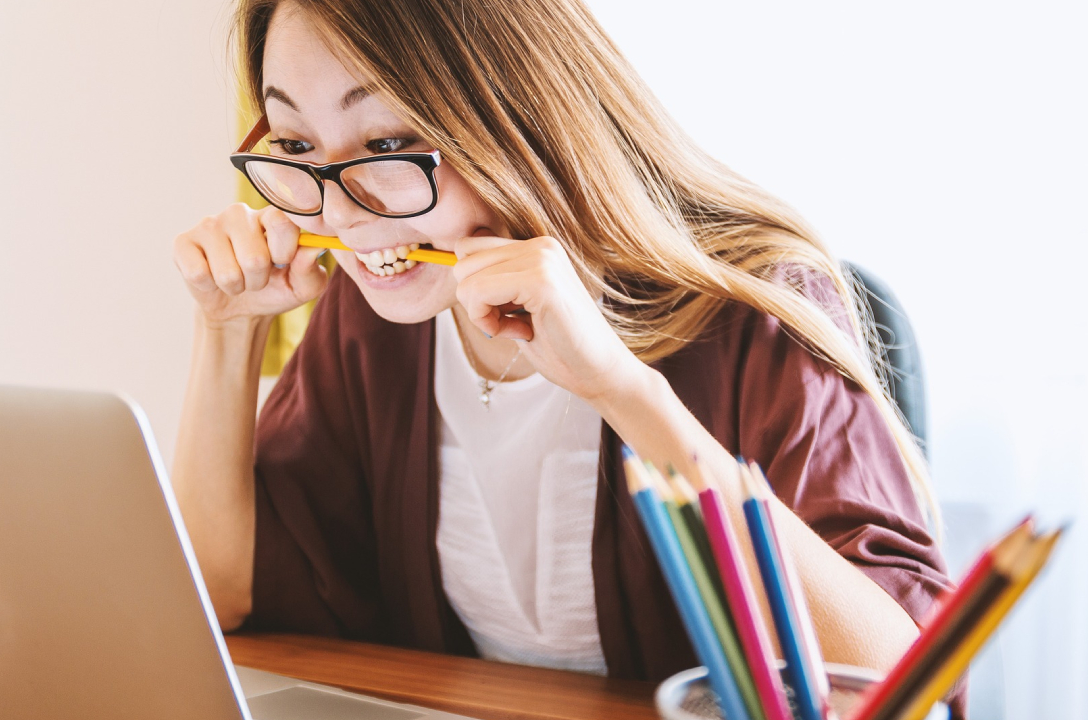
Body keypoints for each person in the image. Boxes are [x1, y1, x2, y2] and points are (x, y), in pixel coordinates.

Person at [171, 0, 954, 688]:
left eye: (385, 144)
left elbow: (897, 684)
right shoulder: (373, 318)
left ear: (516, 114)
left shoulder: (754, 308)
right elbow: (220, 590)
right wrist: (228, 330)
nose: (341, 215)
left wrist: (624, 389)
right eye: (301, 147)